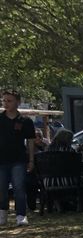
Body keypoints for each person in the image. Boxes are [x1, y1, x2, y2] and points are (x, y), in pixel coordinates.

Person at [1, 90, 36, 227]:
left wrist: (31, 160)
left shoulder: (25, 121)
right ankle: (2, 214)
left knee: (19, 188)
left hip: (18, 160)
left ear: (17, 102)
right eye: (4, 100)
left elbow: (31, 141)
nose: (6, 103)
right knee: (1, 189)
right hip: (1, 160)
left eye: (9, 100)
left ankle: (21, 215)